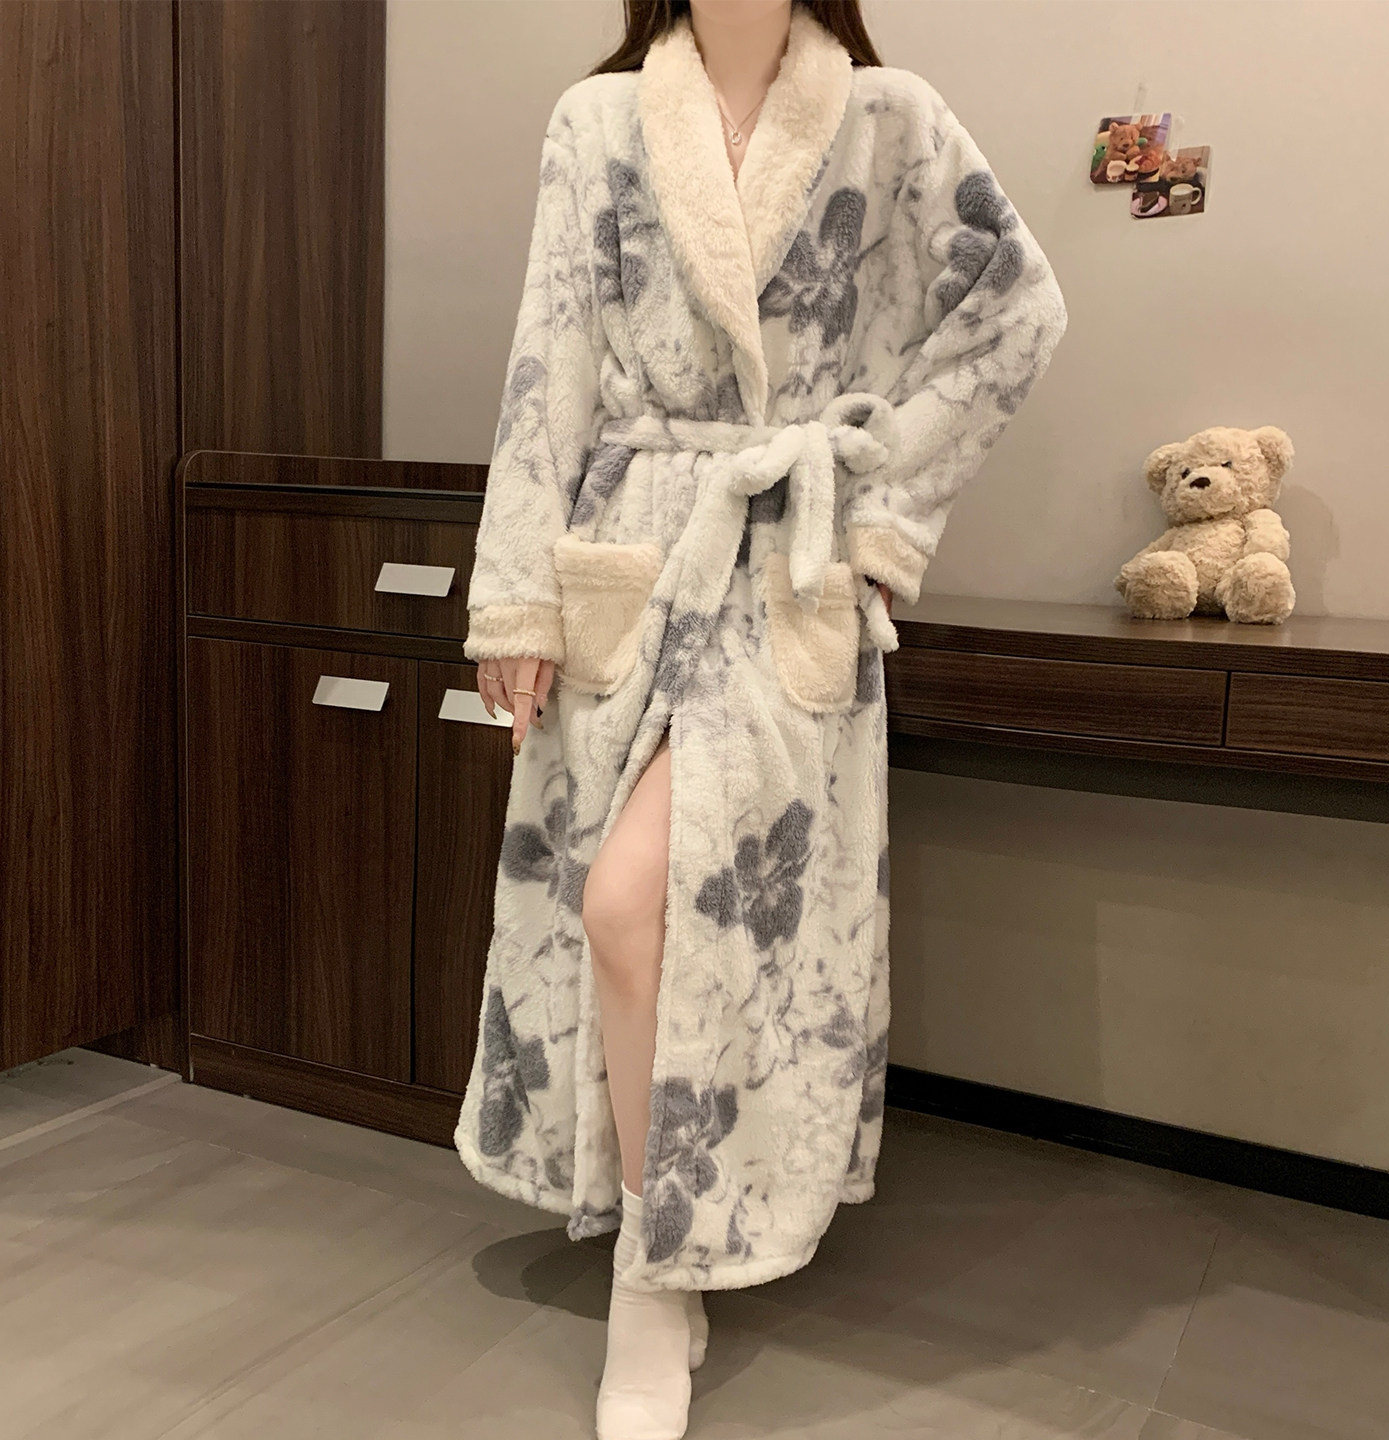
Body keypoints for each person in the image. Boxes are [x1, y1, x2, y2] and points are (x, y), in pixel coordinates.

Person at [455, 2, 1067, 1435]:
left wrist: (879, 506)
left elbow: (1017, 311)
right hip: (629, 554)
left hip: (785, 562)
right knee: (632, 917)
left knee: (652, 905)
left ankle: (652, 1280)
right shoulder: (598, 120)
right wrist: (517, 601)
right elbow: (548, 363)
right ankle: (661, 1246)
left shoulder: (890, 116)